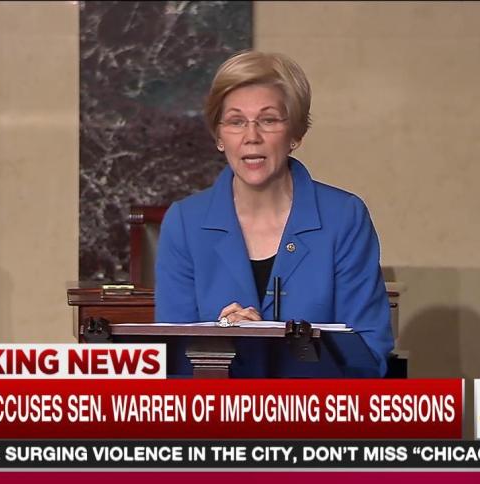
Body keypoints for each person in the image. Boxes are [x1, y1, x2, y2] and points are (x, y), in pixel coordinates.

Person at [155, 50, 393, 377]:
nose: (251, 137)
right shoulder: (184, 224)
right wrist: (222, 348)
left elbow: (368, 357)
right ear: (219, 137)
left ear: (295, 134)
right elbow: (170, 365)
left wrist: (271, 347)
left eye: (268, 120)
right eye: (236, 122)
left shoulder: (344, 218)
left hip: (315, 408)